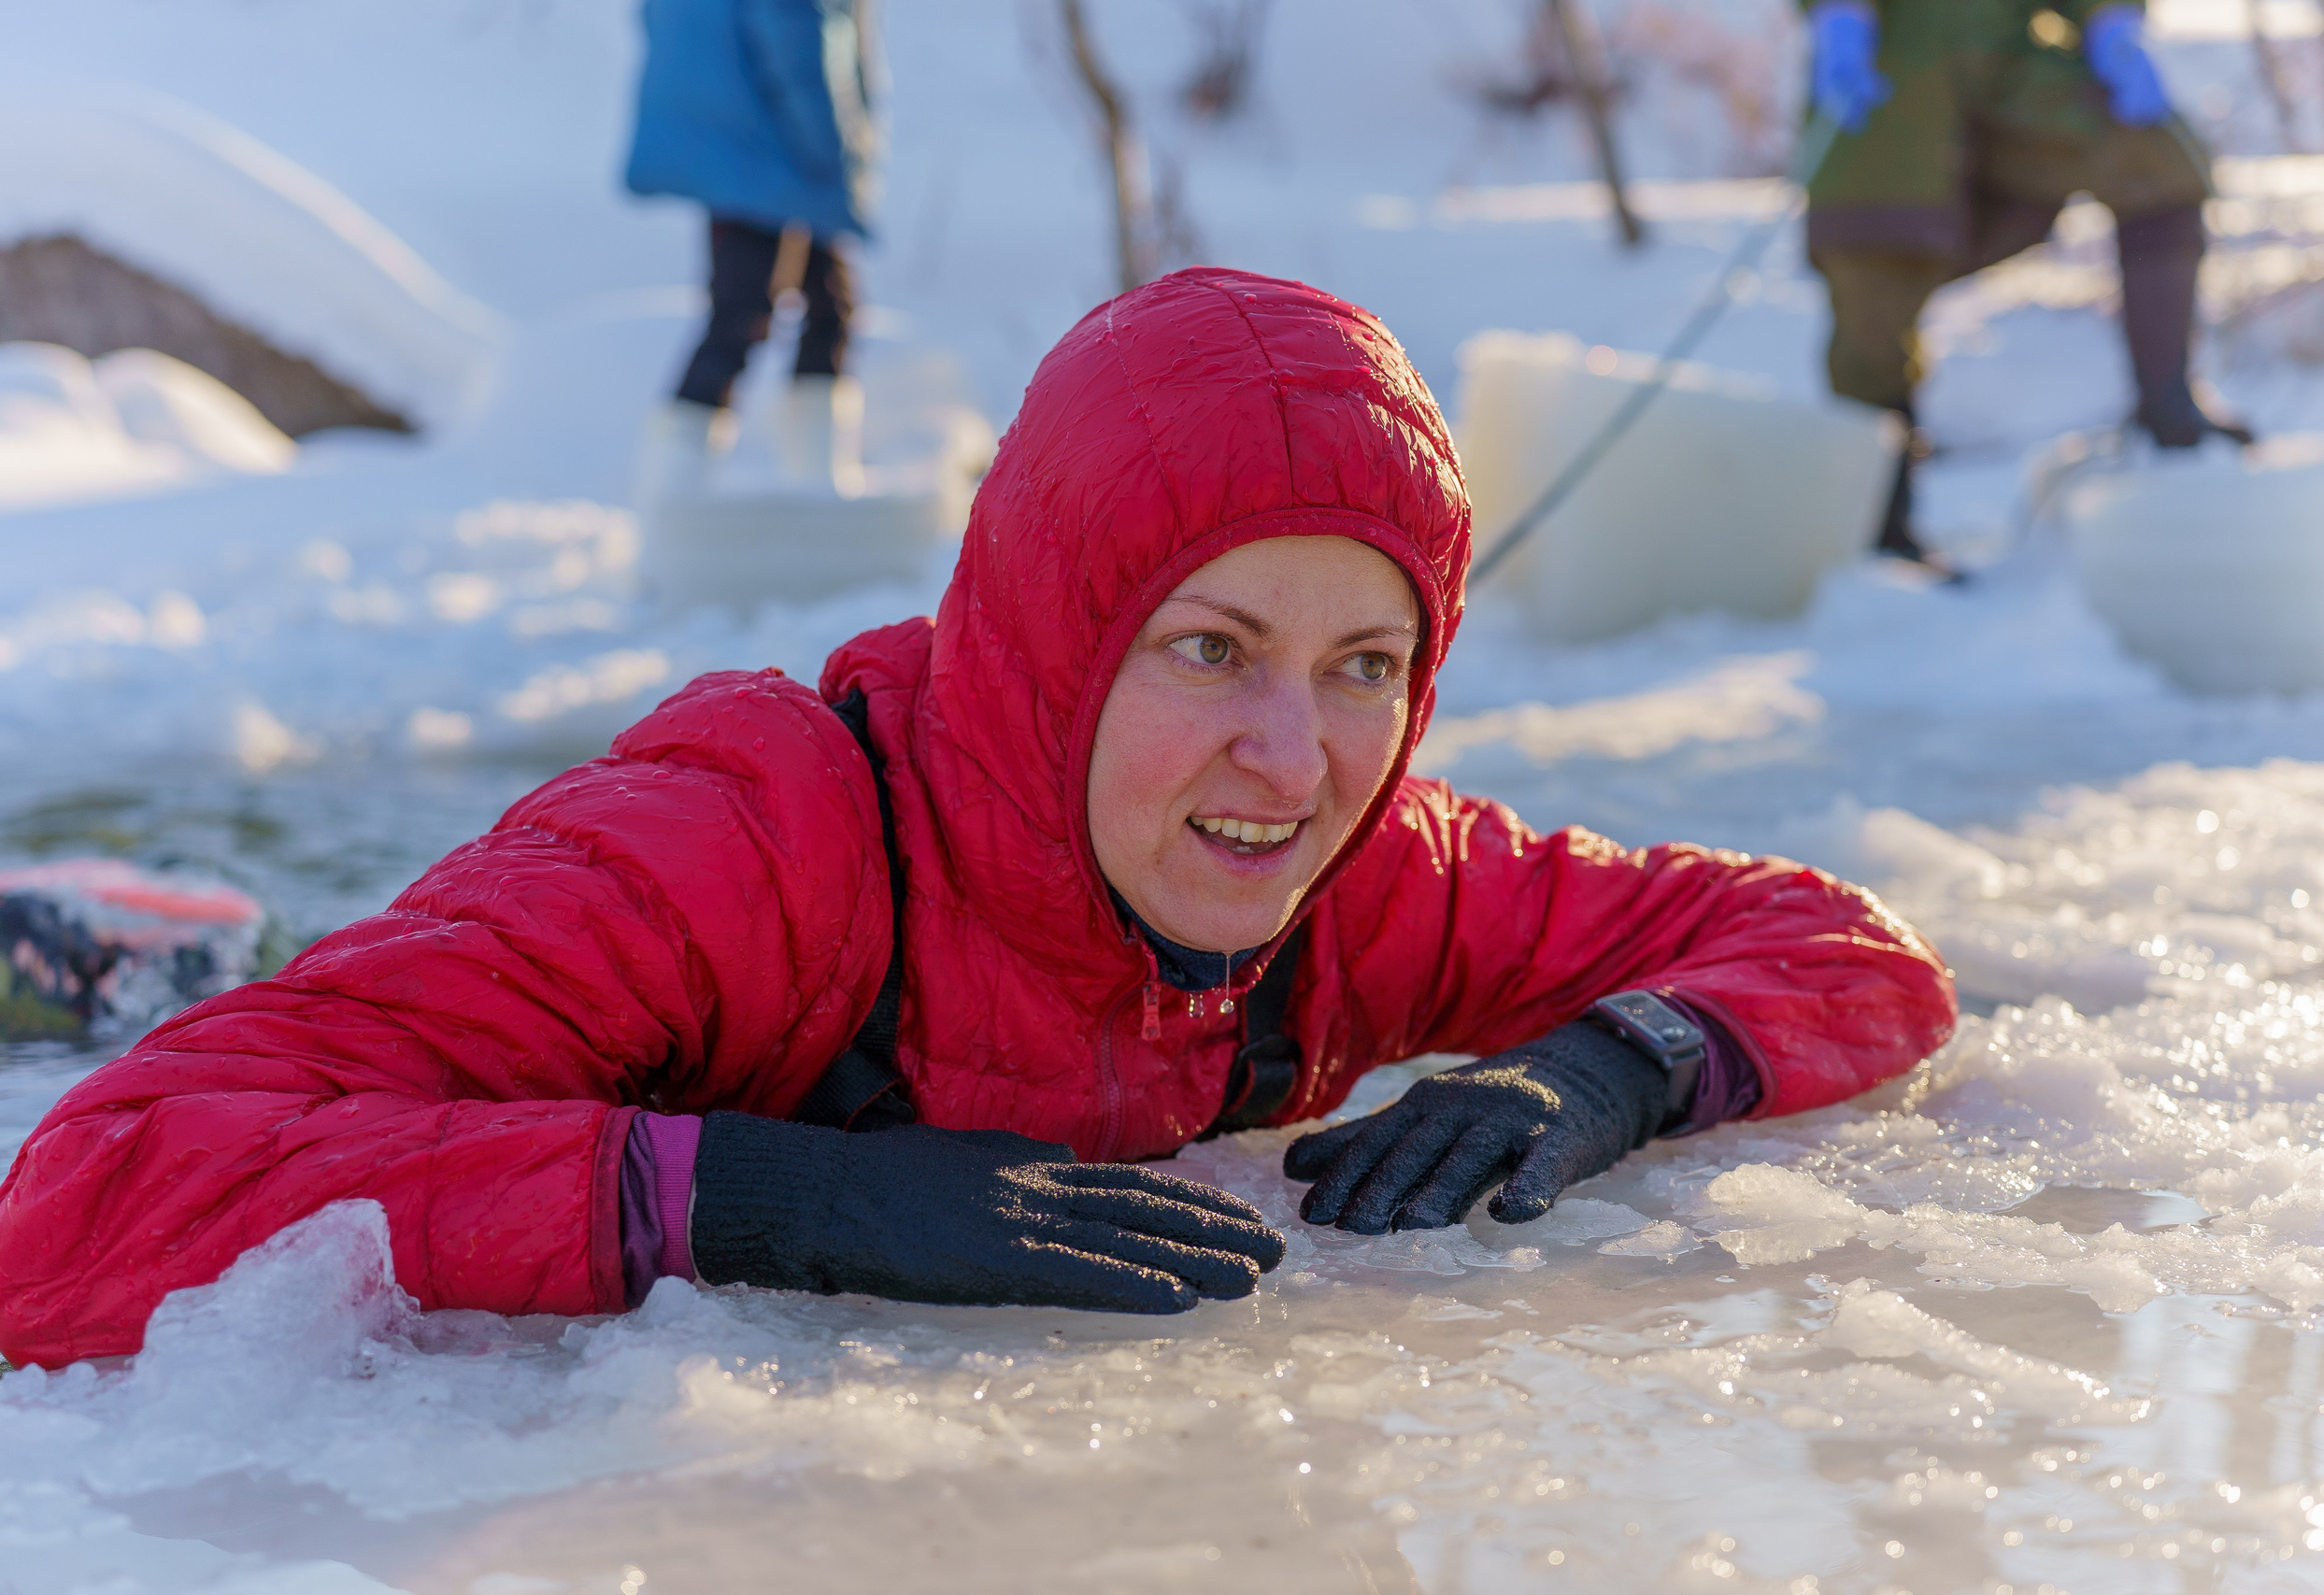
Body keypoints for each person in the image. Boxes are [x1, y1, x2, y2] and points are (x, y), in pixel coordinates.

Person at [0, 270, 1958, 1368]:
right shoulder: (744, 843)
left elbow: (1837, 945)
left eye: (1366, 664)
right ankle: (128, 935)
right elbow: (85, 1200)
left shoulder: (1362, 887)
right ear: (1048, 630)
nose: (1294, 762)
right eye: (1209, 648)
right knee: (216, 993)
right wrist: (748, 1196)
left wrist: (1611, 1068)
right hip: (480, 982)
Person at [1803, 0, 2251, 563]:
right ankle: (1882, 532)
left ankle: (2168, 410)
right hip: (1887, 75)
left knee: (2154, 160)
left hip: (2013, 70)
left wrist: (2110, 17)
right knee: (1873, 290)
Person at [624, 0, 879, 500]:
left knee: (820, 306)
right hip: (774, 149)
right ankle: (673, 500)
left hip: (733, 139)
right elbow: (798, 43)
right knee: (750, 316)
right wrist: (836, 154)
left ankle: (816, 488)